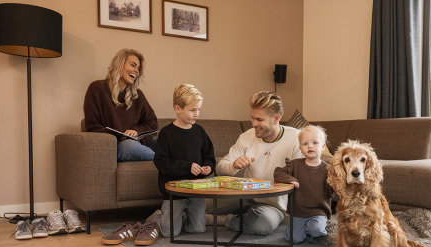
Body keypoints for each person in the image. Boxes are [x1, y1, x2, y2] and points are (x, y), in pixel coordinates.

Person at [215, 91, 302, 236]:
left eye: (259, 119)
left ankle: (223, 220)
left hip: (273, 205)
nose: (254, 124)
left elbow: (300, 180)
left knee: (262, 223)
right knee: (201, 203)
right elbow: (220, 168)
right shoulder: (246, 137)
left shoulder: (296, 139)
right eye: (252, 118)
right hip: (244, 196)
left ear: (276, 119)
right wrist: (234, 165)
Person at [152, 84, 216, 237]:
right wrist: (187, 167)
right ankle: (156, 216)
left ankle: (184, 217)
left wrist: (208, 167)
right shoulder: (166, 133)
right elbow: (161, 162)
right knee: (169, 233)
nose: (197, 114)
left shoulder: (200, 131)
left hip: (196, 193)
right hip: (174, 193)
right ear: (178, 108)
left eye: (199, 109)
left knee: (198, 230)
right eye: (192, 110)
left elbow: (209, 156)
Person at [83, 48, 159, 162]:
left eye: (138, 68)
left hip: (140, 144)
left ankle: (185, 165)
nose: (137, 71)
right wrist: (122, 137)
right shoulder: (97, 89)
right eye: (133, 65)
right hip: (119, 147)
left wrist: (136, 131)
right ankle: (168, 164)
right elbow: (92, 126)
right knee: (129, 146)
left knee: (165, 141)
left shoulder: (137, 95)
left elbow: (152, 123)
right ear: (120, 64)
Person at [274, 125, 332, 243]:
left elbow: (336, 187)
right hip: (298, 212)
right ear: (300, 148)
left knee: (317, 229)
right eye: (305, 144)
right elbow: (278, 172)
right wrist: (290, 179)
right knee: (293, 239)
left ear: (323, 146)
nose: (310, 146)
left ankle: (321, 228)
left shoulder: (328, 169)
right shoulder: (295, 165)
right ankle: (304, 233)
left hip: (318, 211)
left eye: (315, 143)